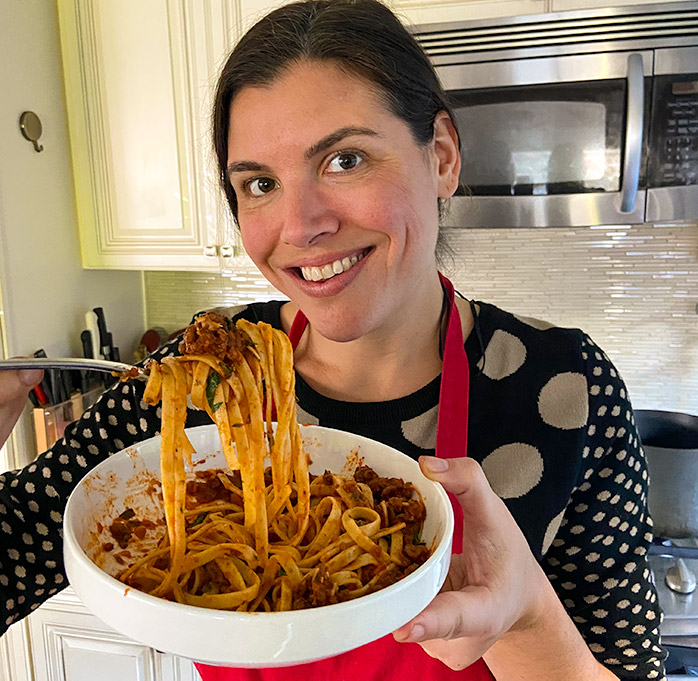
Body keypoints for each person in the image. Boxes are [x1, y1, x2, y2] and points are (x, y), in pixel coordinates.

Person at [0, 1, 666, 679]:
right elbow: (14, 556)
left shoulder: (569, 391)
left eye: (346, 160)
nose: (301, 224)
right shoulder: (207, 376)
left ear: (440, 156)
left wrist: (525, 618)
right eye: (260, 183)